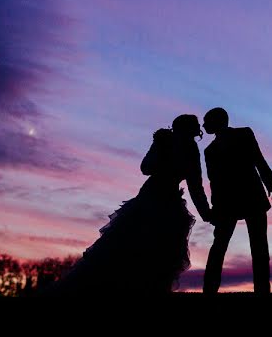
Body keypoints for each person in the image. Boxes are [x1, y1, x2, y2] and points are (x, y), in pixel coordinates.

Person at [53, 114, 212, 296]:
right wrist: (161, 150)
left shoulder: (190, 148)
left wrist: (205, 212)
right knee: (131, 243)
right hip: (150, 197)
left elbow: (195, 183)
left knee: (162, 249)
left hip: (169, 199)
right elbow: (146, 168)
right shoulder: (165, 142)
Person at [201, 107, 272, 294]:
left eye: (207, 121)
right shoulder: (209, 150)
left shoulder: (244, 133)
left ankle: (262, 291)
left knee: (259, 247)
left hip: (252, 196)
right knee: (219, 246)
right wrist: (215, 208)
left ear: (218, 121)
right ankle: (209, 290)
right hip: (227, 203)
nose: (203, 125)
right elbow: (214, 181)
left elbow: (258, 159)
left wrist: (270, 182)